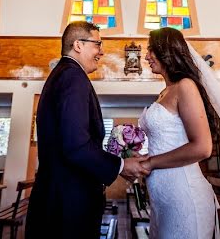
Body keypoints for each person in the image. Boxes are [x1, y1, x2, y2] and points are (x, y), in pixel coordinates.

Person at [26, 21, 149, 239]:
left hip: (59, 197)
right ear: (78, 45)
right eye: (97, 44)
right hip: (67, 205)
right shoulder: (73, 77)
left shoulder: (64, 74)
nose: (101, 52)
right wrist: (121, 165)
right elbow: (75, 145)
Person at [139, 27, 218, 239]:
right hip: (163, 199)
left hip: (184, 196)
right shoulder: (165, 92)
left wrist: (151, 163)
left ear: (166, 51)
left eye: (151, 50)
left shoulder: (185, 86)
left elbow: (203, 147)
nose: (147, 56)